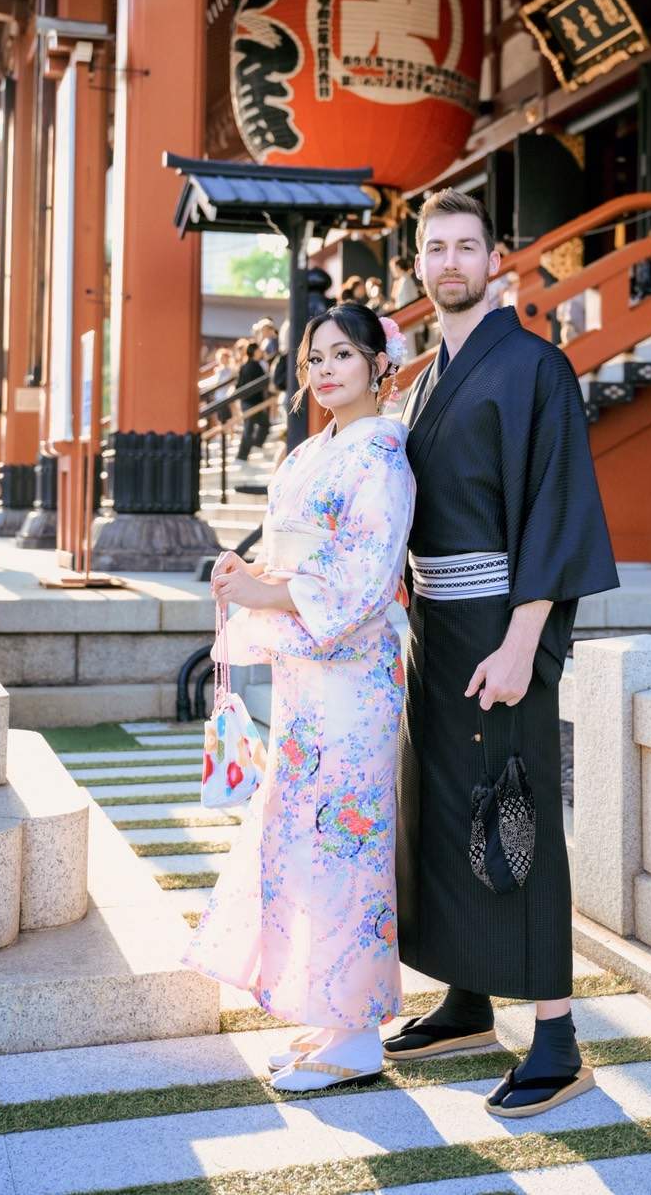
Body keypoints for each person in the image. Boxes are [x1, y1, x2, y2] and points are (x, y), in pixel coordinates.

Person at [386, 188, 618, 1119]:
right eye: (434, 247)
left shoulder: (535, 367)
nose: (449, 261)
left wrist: (524, 640)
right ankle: (467, 994)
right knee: (441, 810)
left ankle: (556, 1036)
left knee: (510, 814)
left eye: (466, 246)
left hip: (500, 628)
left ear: (497, 261)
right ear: (417, 266)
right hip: (433, 627)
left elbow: (556, 511)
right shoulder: (425, 377)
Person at [183, 304, 415, 1092]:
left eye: (343, 354)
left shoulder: (383, 458)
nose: (324, 370)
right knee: (304, 843)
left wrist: (263, 590)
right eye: (314, 357)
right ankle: (328, 1013)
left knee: (347, 844)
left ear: (380, 362)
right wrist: (243, 580)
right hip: (308, 679)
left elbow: (361, 579)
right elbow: (288, 559)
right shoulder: (312, 453)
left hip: (352, 681)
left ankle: (356, 1034)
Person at [234, 341, 269, 462]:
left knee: (263, 424)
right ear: (254, 352)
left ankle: (254, 446)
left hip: (250, 402)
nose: (261, 352)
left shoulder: (245, 366)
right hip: (251, 403)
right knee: (249, 429)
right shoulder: (256, 366)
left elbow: (238, 385)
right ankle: (242, 455)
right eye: (259, 350)